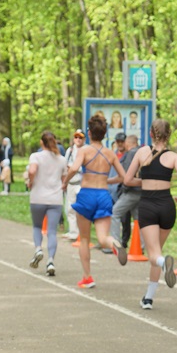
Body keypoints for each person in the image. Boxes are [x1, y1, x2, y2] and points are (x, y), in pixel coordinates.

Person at [124, 120, 177, 309]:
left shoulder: (142, 152)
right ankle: (148, 298)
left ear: (151, 134)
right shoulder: (174, 156)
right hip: (167, 205)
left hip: (148, 205)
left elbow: (127, 180)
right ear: (169, 135)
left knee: (154, 255)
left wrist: (144, 181)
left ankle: (163, 262)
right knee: (156, 250)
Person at [63, 115, 127, 288]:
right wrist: (107, 180)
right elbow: (123, 177)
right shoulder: (110, 153)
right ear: (105, 134)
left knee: (84, 238)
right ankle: (115, 243)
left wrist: (65, 182)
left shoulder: (84, 150)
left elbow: (74, 168)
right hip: (103, 195)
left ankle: (87, 277)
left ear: (89, 133)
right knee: (103, 237)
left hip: (87, 194)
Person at [27, 130, 67, 275]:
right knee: (52, 232)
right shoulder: (61, 159)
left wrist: (30, 181)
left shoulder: (36, 156)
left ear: (41, 143)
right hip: (55, 199)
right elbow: (64, 179)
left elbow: (32, 170)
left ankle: (38, 249)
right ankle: (50, 261)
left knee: (37, 226)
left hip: (38, 197)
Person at [110, 134, 140, 249]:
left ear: (128, 143)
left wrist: (124, 189)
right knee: (138, 219)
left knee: (115, 213)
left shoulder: (130, 154)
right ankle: (140, 246)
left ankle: (116, 243)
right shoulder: (143, 152)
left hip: (131, 191)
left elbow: (126, 175)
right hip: (141, 191)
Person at [63, 130, 85, 240]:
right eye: (76, 137)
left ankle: (82, 233)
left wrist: (73, 168)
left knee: (81, 208)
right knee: (70, 208)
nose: (78, 139)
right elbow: (65, 164)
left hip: (82, 183)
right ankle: (73, 232)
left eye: (80, 137)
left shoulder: (86, 150)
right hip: (71, 182)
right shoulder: (70, 150)